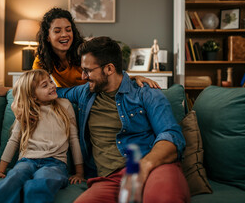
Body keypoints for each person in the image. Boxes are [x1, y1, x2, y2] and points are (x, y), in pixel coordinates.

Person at [56, 37, 190, 203]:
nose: (83, 76)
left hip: (154, 167)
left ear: (109, 69)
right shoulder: (84, 93)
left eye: (88, 70)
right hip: (110, 179)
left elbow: (171, 134)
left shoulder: (145, 92)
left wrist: (145, 165)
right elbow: (53, 92)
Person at [0, 8, 160, 96]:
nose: (64, 35)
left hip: (94, 96)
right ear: (47, 36)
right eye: (57, 30)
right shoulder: (42, 59)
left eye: (68, 29)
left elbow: (109, 71)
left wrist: (134, 78)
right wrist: (8, 91)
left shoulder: (85, 51)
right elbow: (32, 86)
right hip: (69, 99)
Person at [0, 69, 85, 203]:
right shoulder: (26, 111)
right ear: (33, 95)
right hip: (26, 161)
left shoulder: (65, 106)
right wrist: (1, 170)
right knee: (14, 177)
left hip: (55, 163)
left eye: (51, 81)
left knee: (43, 180)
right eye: (45, 85)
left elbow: (74, 140)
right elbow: (13, 141)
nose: (52, 86)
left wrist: (79, 172)